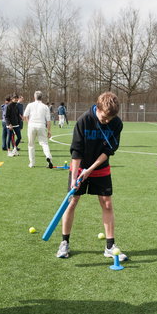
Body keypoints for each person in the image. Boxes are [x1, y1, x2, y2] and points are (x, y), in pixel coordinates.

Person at [56, 92, 128, 262]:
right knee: (72, 201)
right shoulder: (84, 121)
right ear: (98, 107)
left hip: (100, 167)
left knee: (107, 204)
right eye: (105, 117)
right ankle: (64, 243)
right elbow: (76, 151)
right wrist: (75, 177)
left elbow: (109, 151)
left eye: (111, 117)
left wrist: (91, 169)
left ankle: (110, 247)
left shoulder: (116, 123)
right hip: (79, 166)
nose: (107, 121)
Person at [23, 91, 53, 168]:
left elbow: (25, 116)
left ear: (34, 97)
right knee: (44, 143)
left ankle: (32, 163)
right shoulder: (45, 107)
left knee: (31, 145)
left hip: (31, 126)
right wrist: (49, 131)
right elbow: (48, 121)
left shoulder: (30, 105)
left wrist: (29, 123)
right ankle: (48, 156)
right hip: (41, 126)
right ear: (41, 97)